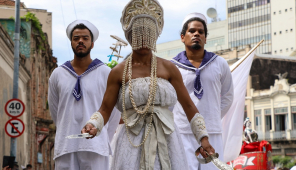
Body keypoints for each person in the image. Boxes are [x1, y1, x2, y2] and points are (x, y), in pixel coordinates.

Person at [82, 0, 215, 169]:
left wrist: (203, 138)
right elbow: (105, 109)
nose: (144, 38)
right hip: (130, 142)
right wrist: (93, 125)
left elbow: (189, 106)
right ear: (130, 35)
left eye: (149, 32)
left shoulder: (169, 68)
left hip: (167, 140)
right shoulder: (118, 72)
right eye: (139, 32)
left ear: (155, 35)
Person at [48, 20, 120, 170]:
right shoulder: (58, 74)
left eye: (85, 38)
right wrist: (66, 127)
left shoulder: (106, 73)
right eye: (76, 38)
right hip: (66, 146)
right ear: (71, 42)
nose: (80, 41)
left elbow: (114, 112)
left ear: (92, 43)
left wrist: (103, 136)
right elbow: (56, 111)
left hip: (95, 147)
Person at [171, 13, 234, 170]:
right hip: (182, 132)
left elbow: (228, 96)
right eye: (192, 31)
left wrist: (209, 119)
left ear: (205, 38)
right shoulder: (172, 66)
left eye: (201, 32)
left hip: (212, 132)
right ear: (182, 37)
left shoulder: (220, 63)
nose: (196, 34)